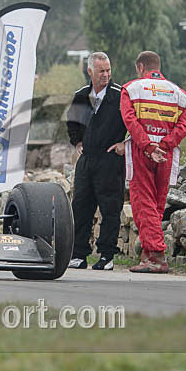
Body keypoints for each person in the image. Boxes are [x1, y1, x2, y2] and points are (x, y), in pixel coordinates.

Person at [121, 51, 186, 273]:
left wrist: (149, 146)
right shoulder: (179, 93)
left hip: (142, 151)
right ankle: (148, 255)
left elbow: (130, 121)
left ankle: (157, 256)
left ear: (141, 66)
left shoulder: (131, 89)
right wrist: (165, 145)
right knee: (158, 204)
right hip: (166, 154)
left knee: (143, 203)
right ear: (158, 67)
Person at [66, 52, 127, 271]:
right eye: (101, 71)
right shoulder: (81, 96)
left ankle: (106, 256)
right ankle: (78, 254)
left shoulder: (121, 96)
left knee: (110, 209)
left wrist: (125, 144)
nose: (106, 75)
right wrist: (77, 142)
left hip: (110, 161)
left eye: (108, 70)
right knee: (80, 207)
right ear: (90, 72)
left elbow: (136, 124)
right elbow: (72, 122)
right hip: (87, 160)